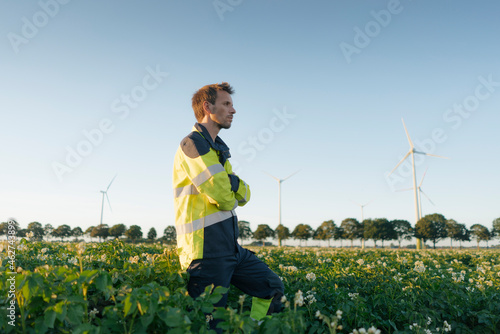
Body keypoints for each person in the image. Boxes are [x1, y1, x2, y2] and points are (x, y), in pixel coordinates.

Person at [172, 82, 284, 330]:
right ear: (207, 107)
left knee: (272, 287)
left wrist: (231, 186)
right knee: (211, 323)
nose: (234, 110)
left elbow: (245, 194)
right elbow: (225, 196)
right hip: (205, 251)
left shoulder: (219, 149)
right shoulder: (192, 144)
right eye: (227, 104)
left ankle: (254, 327)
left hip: (230, 248)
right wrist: (232, 189)